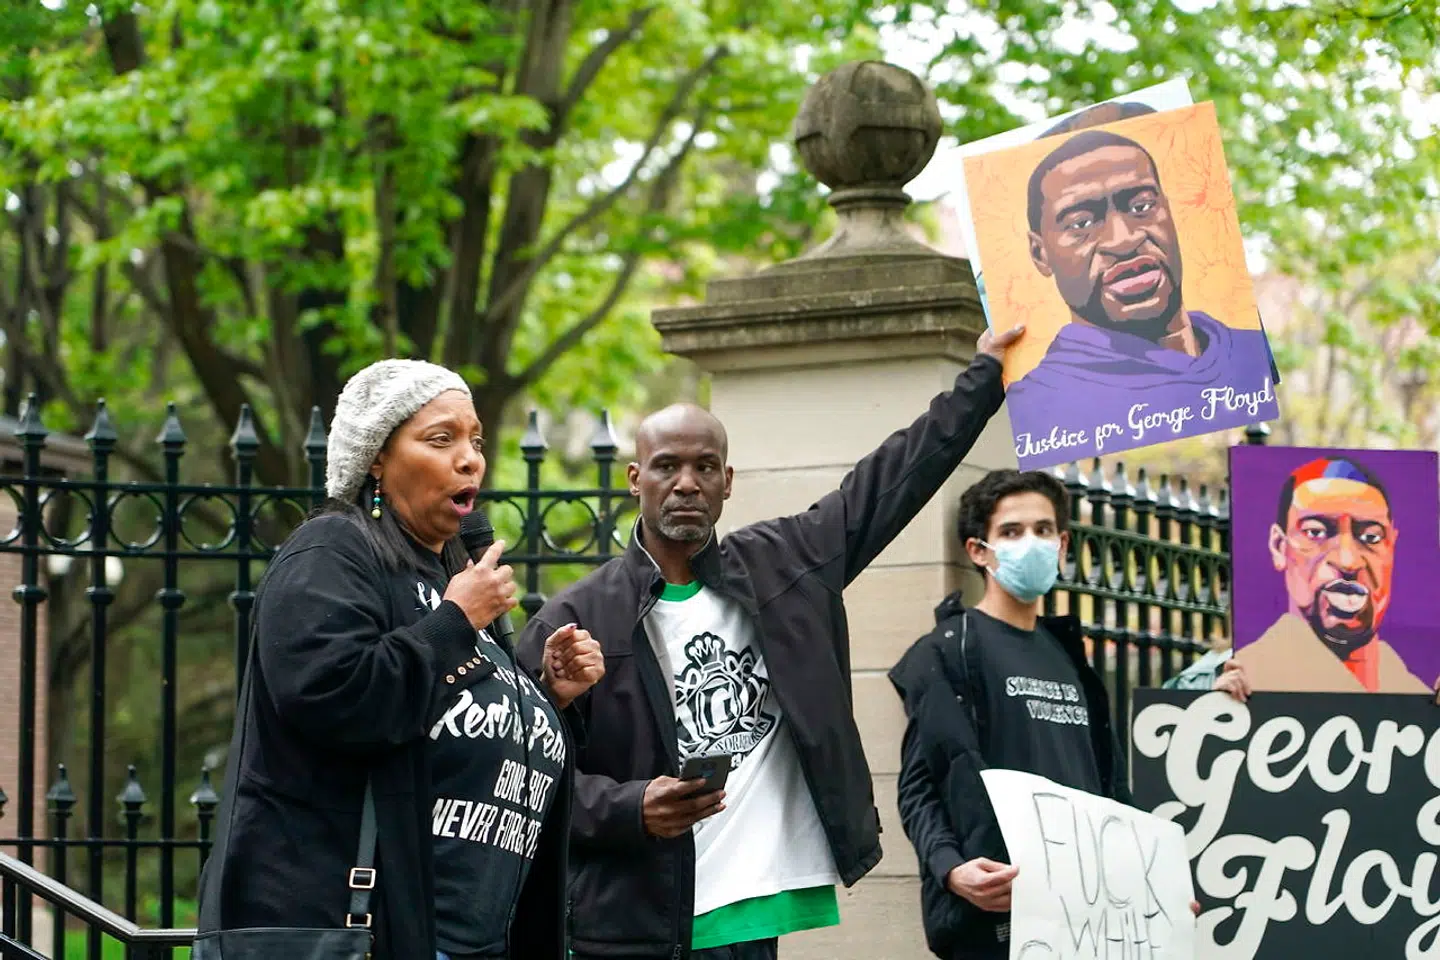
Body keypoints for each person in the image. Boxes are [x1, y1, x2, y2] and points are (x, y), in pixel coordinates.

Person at [516, 326, 1024, 960]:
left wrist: (984, 378)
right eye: (667, 466)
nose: (686, 483)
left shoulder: (786, 566)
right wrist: (628, 808)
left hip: (754, 916)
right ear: (633, 478)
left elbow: (892, 480)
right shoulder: (574, 617)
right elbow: (520, 779)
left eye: (704, 467)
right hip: (630, 926)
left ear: (727, 481)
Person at [196, 359, 603, 960]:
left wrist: (548, 696)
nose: (470, 458)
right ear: (376, 459)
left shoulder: (453, 583)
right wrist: (456, 621)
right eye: (441, 439)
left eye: (474, 440)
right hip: (363, 929)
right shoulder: (333, 550)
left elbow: (460, 737)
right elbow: (336, 697)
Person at [890, 469, 1211, 960]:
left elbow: (1113, 797)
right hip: (1005, 921)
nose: (1032, 543)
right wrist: (952, 870)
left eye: (1043, 531)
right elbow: (918, 785)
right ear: (979, 550)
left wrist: (1158, 891)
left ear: (1063, 546)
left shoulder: (1073, 660)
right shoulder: (948, 652)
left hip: (1090, 924)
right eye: (1012, 532)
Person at [1004, 128, 1276, 453]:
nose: (1123, 240)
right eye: (1080, 224)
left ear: (1170, 213)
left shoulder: (1248, 356)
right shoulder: (1038, 402)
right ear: (1039, 253)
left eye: (1141, 206)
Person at [1235, 456, 1430, 693]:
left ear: (1391, 548)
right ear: (1279, 546)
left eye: (1371, 537)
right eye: (1315, 532)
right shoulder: (1248, 676)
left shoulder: (1412, 690)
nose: (1348, 562)